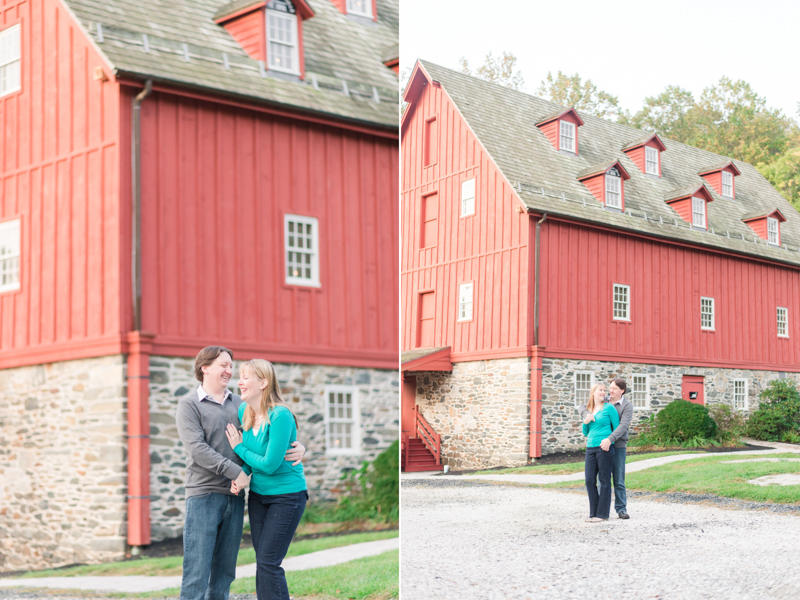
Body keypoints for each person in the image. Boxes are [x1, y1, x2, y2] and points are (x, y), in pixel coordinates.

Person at [175, 346, 306, 600]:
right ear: (205, 368)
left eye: (231, 366)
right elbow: (197, 449)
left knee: (225, 572)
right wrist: (237, 472)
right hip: (204, 493)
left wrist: (299, 446)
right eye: (223, 365)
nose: (230, 371)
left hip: (235, 496)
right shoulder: (189, 405)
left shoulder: (241, 404)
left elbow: (266, 438)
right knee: (196, 571)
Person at [226, 358, 307, 600]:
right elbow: (256, 458)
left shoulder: (281, 415)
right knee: (262, 561)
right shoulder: (245, 410)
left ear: (263, 382)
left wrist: (239, 448)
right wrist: (244, 475)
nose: (239, 382)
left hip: (287, 496)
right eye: (239, 376)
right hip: (259, 496)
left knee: (269, 562)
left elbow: (270, 465)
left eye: (245, 377)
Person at [579, 378, 633, 519]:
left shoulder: (626, 406)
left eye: (614, 388)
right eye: (609, 388)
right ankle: (596, 512)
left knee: (618, 478)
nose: (609, 391)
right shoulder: (605, 399)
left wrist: (609, 439)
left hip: (617, 444)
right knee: (594, 479)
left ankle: (621, 509)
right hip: (598, 445)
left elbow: (621, 427)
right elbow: (583, 408)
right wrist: (586, 417)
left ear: (622, 390)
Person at [581, 382, 619, 522]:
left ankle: (602, 515)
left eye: (604, 390)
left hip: (605, 448)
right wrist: (585, 421)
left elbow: (617, 428)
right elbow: (586, 432)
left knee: (604, 480)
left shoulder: (609, 408)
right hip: (590, 447)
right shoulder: (589, 409)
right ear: (593, 393)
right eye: (600, 390)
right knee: (590, 480)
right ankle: (593, 513)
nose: (603, 392)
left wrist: (609, 441)